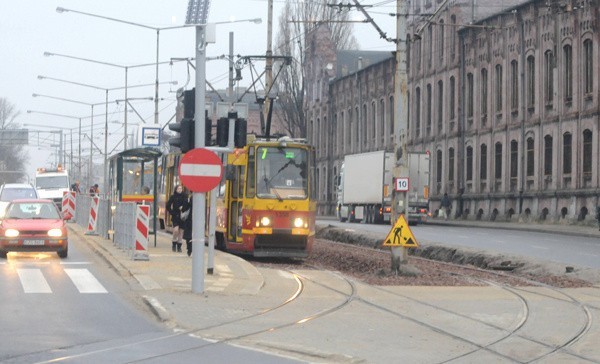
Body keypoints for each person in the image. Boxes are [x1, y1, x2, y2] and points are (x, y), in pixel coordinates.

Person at [166, 184, 187, 252]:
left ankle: (179, 247)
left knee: (181, 232)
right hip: (175, 216)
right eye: (178, 189)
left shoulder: (185, 196)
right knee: (175, 230)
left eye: (181, 188)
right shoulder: (173, 197)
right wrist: (172, 212)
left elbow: (187, 205)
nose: (180, 190)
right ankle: (174, 242)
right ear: (176, 189)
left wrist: (183, 208)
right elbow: (168, 205)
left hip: (183, 216)